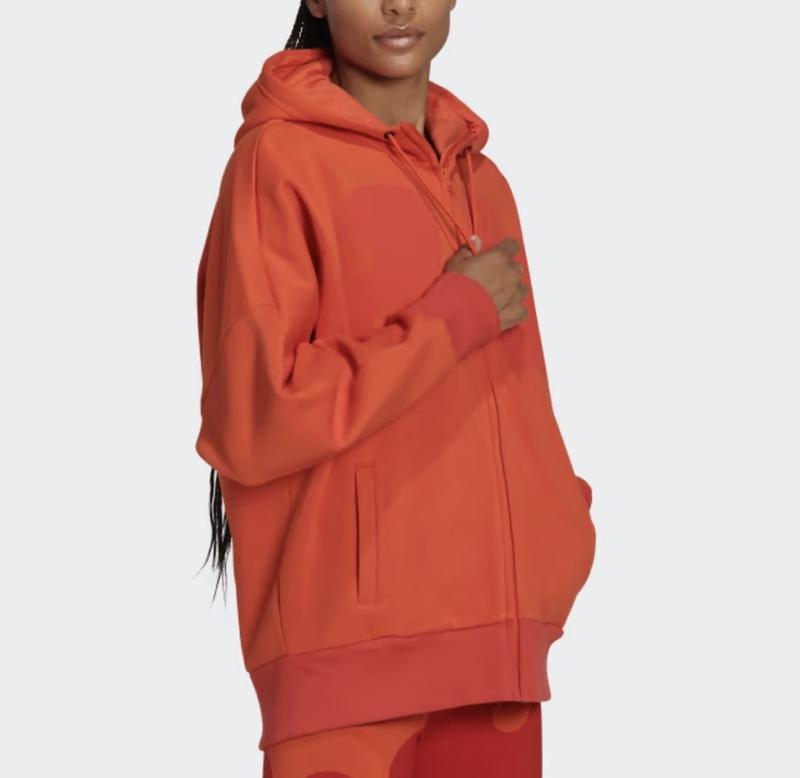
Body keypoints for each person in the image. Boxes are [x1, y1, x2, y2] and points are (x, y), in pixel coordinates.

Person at [193, 1, 597, 775]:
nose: (399, 4)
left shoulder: (484, 183)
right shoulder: (278, 162)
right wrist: (450, 318)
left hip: (498, 663)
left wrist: (557, 527)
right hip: (344, 666)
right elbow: (255, 414)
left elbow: (522, 398)